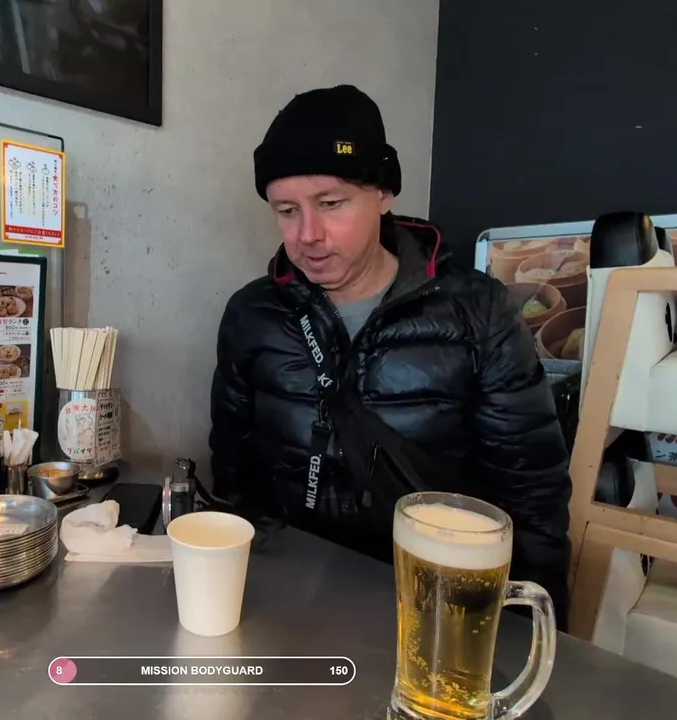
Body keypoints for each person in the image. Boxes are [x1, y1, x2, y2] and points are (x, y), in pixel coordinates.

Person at [208, 84, 573, 622]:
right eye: (286, 210)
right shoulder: (253, 314)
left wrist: (536, 630)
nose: (307, 234)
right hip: (292, 595)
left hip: (434, 603)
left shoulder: (478, 312)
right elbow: (233, 476)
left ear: (383, 193)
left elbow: (532, 491)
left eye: (331, 204)